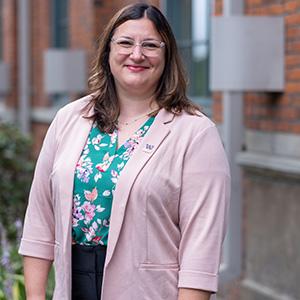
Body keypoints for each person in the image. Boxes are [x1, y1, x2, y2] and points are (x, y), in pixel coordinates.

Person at [19, 3, 230, 300]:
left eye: (150, 45)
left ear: (167, 56)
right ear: (107, 51)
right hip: (72, 286)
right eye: (126, 42)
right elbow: (40, 221)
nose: (137, 54)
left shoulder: (195, 134)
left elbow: (201, 247)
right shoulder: (69, 119)